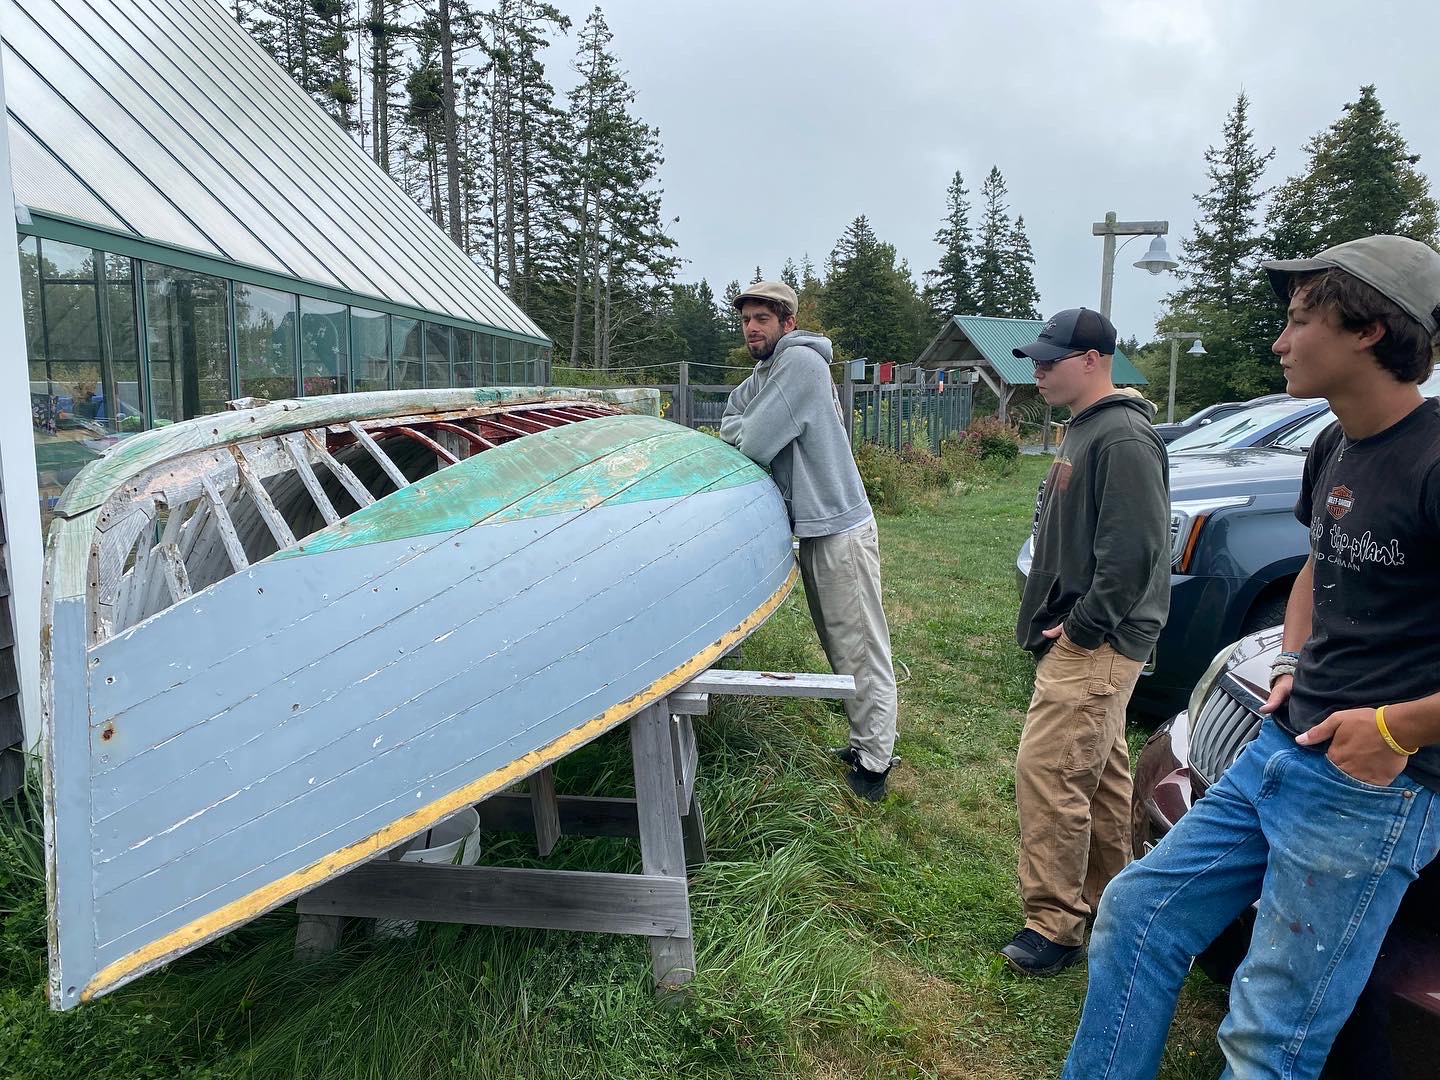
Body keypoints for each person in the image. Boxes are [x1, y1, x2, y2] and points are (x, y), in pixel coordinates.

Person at [1063, 234, 1440, 1080]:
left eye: (1301, 319)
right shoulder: (1333, 446)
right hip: (1281, 747)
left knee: (1268, 1038)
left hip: (1374, 790)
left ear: (1371, 330)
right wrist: (1290, 663)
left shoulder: (1435, 459)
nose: (1280, 341)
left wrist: (1394, 727)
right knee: (1136, 913)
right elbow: (1319, 563)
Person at [1004, 307, 1171, 976]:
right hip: (1086, 636)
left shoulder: (1123, 438)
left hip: (1097, 642)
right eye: (1037, 358)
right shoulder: (1085, 429)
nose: (1039, 369)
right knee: (1098, 776)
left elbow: (1132, 554)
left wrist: (1082, 628)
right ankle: (1111, 899)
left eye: (1052, 358)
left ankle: (1054, 925)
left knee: (1049, 774)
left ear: (1095, 358)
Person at [719, 281, 899, 801]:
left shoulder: (801, 366)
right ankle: (867, 739)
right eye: (747, 319)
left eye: (763, 319)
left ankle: (875, 762)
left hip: (839, 526)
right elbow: (731, 415)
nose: (752, 328)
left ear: (788, 323)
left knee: (859, 645)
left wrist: (744, 430)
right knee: (841, 641)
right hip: (817, 527)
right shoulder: (764, 373)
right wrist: (744, 426)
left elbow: (749, 441)